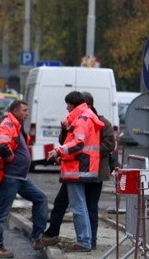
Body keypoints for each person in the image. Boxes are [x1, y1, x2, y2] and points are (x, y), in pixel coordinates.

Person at [38, 92, 116, 250]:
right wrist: (65, 130)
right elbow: (68, 141)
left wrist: (60, 152)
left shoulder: (84, 119)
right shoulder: (86, 119)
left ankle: (86, 241)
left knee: (83, 206)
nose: (66, 108)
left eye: (68, 105)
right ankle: (77, 238)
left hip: (82, 169)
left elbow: (80, 144)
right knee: (69, 204)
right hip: (82, 168)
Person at [0, 99, 49, 258]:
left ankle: (37, 237)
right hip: (11, 177)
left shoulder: (17, 126)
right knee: (1, 213)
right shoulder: (9, 125)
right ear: (15, 111)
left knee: (41, 199)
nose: (27, 114)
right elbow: (2, 146)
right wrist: (12, 158)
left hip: (20, 178)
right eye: (24, 110)